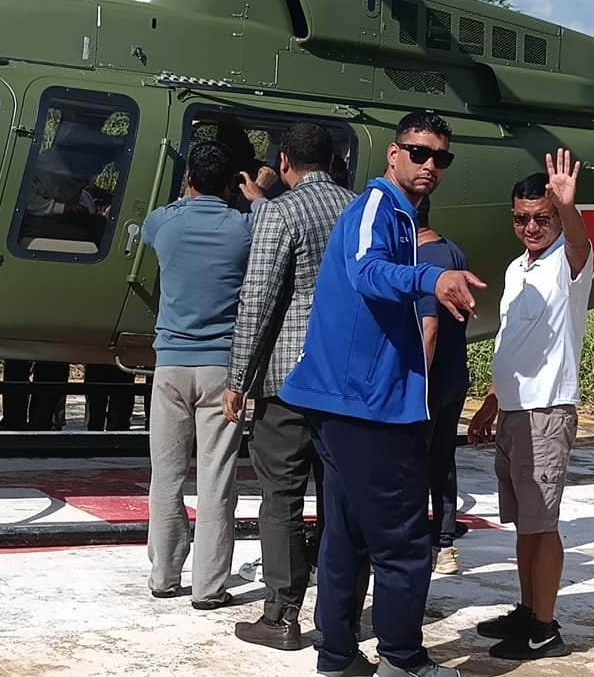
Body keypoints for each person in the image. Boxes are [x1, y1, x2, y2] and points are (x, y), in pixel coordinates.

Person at [278, 111, 488, 677]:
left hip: (343, 403)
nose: (430, 164)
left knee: (346, 537)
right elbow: (368, 271)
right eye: (419, 152)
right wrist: (430, 279)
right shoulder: (379, 206)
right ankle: (403, 658)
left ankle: (337, 655)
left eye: (441, 157)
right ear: (393, 154)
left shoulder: (398, 215)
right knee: (405, 542)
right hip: (368, 407)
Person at [222, 123, 356, 652]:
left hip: (288, 380)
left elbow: (258, 298)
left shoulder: (280, 212)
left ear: (283, 162)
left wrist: (239, 379)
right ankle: (340, 614)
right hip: (344, 378)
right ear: (333, 159)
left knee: (281, 496)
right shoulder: (359, 209)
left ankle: (281, 614)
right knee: (339, 498)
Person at [465, 151, 592, 661]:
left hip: (546, 411)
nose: (531, 227)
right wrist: (491, 402)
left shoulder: (567, 262)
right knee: (524, 522)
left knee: (543, 523)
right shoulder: (518, 269)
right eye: (521, 218)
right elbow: (512, 343)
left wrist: (570, 206)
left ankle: (545, 627)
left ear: (556, 216)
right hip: (515, 412)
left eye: (542, 217)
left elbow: (581, 243)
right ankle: (527, 609)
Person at [140, 141, 265, 609]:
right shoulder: (243, 226)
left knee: (166, 474)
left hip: (171, 364)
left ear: (189, 178)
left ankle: (164, 574)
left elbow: (154, 223)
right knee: (216, 478)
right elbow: (269, 225)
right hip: (222, 368)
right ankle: (209, 586)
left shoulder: (164, 222)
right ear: (233, 183)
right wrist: (257, 195)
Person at [414, 196, 473, 576]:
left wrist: (416, 381)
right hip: (455, 374)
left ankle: (417, 540)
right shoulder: (454, 251)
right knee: (443, 458)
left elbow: (429, 327)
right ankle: (446, 542)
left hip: (430, 378)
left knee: (413, 459)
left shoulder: (421, 260)